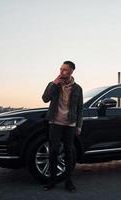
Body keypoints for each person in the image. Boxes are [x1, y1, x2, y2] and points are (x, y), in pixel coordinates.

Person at [41, 61, 83, 192]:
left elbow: (80, 109)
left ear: (71, 71)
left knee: (68, 152)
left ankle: (68, 181)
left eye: (64, 70)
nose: (61, 72)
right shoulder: (53, 84)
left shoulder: (77, 88)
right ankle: (52, 180)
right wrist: (54, 84)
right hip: (55, 122)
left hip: (70, 124)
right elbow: (45, 98)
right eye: (61, 69)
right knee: (53, 151)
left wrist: (79, 125)